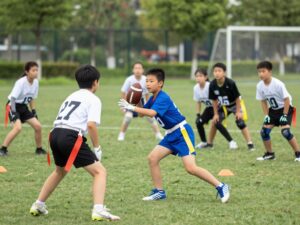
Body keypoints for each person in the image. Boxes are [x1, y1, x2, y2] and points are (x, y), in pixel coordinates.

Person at [118, 68, 230, 203]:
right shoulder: (152, 98)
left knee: (191, 168)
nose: (147, 84)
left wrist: (132, 108)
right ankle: (159, 192)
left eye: (151, 81)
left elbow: (152, 113)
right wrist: (136, 101)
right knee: (152, 158)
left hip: (182, 133)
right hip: (170, 134)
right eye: (146, 81)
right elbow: (143, 114)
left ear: (160, 83)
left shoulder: (162, 97)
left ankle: (221, 186)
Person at [29, 65, 120, 221]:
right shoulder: (94, 99)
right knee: (100, 172)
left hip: (55, 134)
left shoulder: (71, 95)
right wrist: (97, 147)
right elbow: (91, 125)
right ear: (96, 82)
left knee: (60, 171)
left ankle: (38, 204)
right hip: (70, 137)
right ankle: (98, 209)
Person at [255, 61, 300, 161]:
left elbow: (287, 99)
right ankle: (270, 154)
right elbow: (263, 101)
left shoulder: (278, 84)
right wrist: (266, 115)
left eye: (263, 71)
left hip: (286, 109)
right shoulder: (259, 86)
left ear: (270, 72)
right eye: (259, 72)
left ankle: (298, 154)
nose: (261, 74)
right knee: (264, 132)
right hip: (273, 111)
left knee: (285, 132)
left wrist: (284, 115)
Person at [0, 61, 46, 156]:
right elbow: (13, 98)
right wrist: (13, 113)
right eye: (33, 70)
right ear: (27, 72)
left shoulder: (36, 82)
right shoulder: (21, 82)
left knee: (38, 126)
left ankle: (39, 149)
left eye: (37, 70)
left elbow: (31, 98)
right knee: (18, 128)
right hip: (12, 105)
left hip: (23, 107)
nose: (36, 72)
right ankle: (3, 149)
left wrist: (34, 111)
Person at [209, 63, 255, 151]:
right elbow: (214, 101)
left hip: (235, 105)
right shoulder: (212, 84)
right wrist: (215, 114)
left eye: (219, 71)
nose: (217, 73)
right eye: (215, 71)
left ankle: (250, 144)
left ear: (224, 73)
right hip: (224, 106)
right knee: (215, 121)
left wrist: (238, 111)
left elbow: (238, 98)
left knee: (240, 122)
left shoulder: (230, 83)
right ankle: (209, 143)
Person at [193, 68, 238, 149]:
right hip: (209, 108)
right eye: (196, 76)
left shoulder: (210, 85)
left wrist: (216, 113)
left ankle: (231, 141)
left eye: (200, 76)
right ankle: (203, 142)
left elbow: (217, 99)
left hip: (219, 108)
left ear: (206, 77)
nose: (198, 78)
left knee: (217, 123)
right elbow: (198, 102)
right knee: (198, 122)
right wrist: (198, 114)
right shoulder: (196, 88)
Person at [117, 62, 163, 141]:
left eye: (139, 68)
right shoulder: (129, 80)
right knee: (128, 117)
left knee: (150, 118)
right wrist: (123, 106)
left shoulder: (146, 79)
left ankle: (158, 134)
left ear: (142, 70)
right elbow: (123, 92)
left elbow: (147, 94)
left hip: (142, 101)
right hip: (131, 102)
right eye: (136, 68)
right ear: (133, 70)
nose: (137, 70)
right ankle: (121, 134)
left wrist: (149, 105)